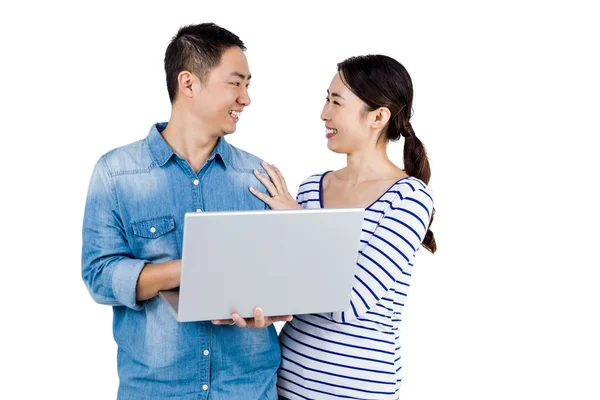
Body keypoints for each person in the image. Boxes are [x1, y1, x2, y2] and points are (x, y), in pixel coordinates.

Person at [81, 23, 290, 400]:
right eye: (236, 83)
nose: (246, 99)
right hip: (157, 391)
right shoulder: (116, 173)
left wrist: (275, 304)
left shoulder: (259, 177)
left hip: (247, 389)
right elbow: (99, 276)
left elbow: (282, 275)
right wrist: (187, 269)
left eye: (248, 85)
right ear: (189, 83)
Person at [249, 55, 436, 399]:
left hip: (358, 390)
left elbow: (348, 303)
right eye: (326, 99)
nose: (324, 113)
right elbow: (286, 286)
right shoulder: (310, 189)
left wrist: (296, 217)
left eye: (337, 102)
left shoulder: (409, 198)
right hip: (285, 384)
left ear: (378, 117)